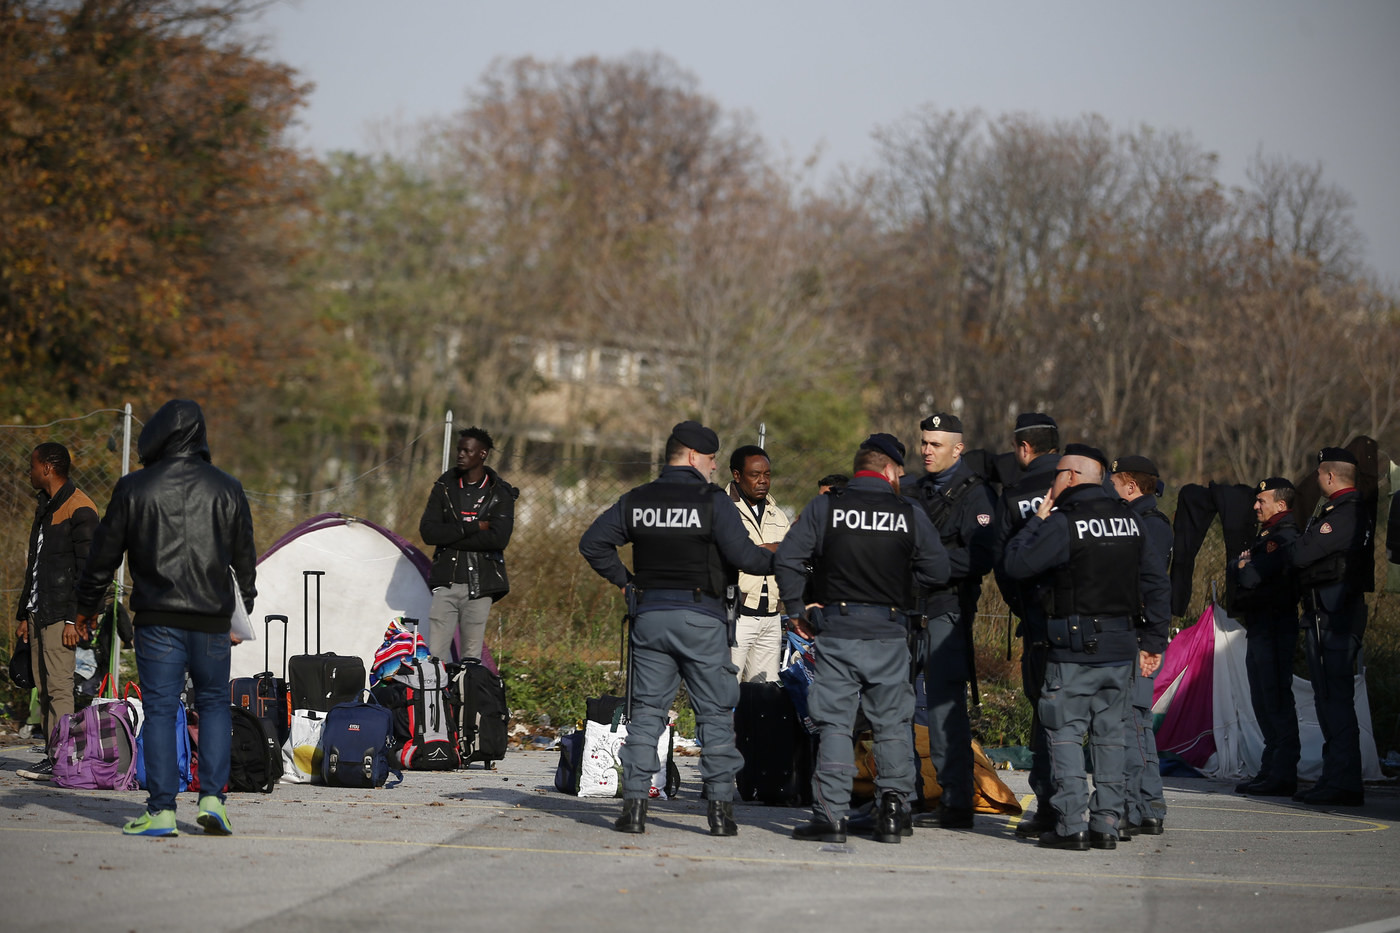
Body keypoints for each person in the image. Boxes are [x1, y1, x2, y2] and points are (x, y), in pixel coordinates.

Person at [578, 420, 775, 836]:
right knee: (716, 716)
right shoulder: (712, 501)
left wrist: (627, 583)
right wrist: (786, 556)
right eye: (711, 459)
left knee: (647, 713)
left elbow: (593, 542)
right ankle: (720, 812)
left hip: (650, 619)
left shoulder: (638, 499)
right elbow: (747, 559)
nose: (715, 467)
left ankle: (634, 807)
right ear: (691, 456)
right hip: (701, 619)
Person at [73, 400, 257, 836]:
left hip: (158, 620)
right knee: (213, 705)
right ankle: (213, 800)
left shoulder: (134, 488)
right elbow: (245, 562)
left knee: (159, 710)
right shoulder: (227, 488)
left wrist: (85, 609)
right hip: (213, 620)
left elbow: (103, 557)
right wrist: (240, 612)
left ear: (156, 435)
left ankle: (161, 812)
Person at [776, 434, 950, 844]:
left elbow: (788, 558)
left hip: (837, 629)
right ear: (888, 470)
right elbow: (939, 571)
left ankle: (831, 817)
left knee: (835, 724)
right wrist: (903, 584)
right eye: (900, 472)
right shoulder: (908, 512)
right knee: (891, 724)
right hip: (890, 633)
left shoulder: (825, 507)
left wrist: (799, 609)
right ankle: (893, 811)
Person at [1002, 444, 1169, 851]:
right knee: (1111, 737)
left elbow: (1016, 565)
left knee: (1064, 733)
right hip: (1120, 646)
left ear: (1071, 477)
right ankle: (1107, 822)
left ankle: (1070, 822)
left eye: (1058, 474)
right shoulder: (1131, 521)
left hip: (1073, 648)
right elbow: (1155, 582)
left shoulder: (1063, 523)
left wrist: (1037, 521)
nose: (1053, 481)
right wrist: (1152, 640)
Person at [900, 413, 996, 829]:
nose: (926, 450)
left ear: (958, 449)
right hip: (906, 609)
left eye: (935, 444)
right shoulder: (911, 491)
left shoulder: (976, 496)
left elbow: (981, 557)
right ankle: (901, 795)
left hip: (947, 608)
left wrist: (927, 564)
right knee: (895, 706)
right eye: (924, 442)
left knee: (943, 709)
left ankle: (956, 800)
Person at [991, 412, 1061, 837]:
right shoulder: (1086, 488)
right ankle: (1116, 812)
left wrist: (1024, 609)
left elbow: (1004, 564)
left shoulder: (1016, 494)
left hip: (1039, 625)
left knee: (1047, 718)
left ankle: (1050, 807)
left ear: (1024, 448)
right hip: (1097, 627)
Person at [1291, 447, 1372, 807]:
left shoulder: (1344, 514)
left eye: (1319, 474)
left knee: (1334, 701)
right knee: (1330, 701)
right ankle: (1335, 775)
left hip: (1334, 616)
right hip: (1329, 613)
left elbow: (1302, 554)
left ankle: (1343, 779)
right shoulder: (1345, 511)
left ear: (1329, 476)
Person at [15, 443, 99, 782]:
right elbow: (35, 566)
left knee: (60, 687)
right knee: (44, 686)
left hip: (61, 615)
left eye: (33, 465)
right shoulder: (46, 506)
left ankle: (64, 760)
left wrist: (74, 619)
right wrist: (24, 613)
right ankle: (54, 757)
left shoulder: (80, 508)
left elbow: (90, 570)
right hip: (39, 611)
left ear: (48, 468)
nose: (29, 471)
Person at [1108, 455, 1172, 836]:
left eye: (1114, 485)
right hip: (1137, 633)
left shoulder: (1147, 526)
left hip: (1135, 635)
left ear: (1131, 486)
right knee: (1135, 722)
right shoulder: (1145, 522)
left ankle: (1141, 805)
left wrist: (1151, 641)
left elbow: (1151, 586)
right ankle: (1147, 805)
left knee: (1131, 723)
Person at [419, 426, 518, 663]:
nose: (460, 455)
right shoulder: (444, 487)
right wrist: (473, 526)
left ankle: (466, 700)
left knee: (471, 659)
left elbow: (498, 539)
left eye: (467, 450)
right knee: (437, 657)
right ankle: (439, 700)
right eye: (458, 450)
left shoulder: (500, 494)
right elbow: (429, 532)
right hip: (446, 582)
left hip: (481, 585)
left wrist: (451, 535)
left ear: (482, 454)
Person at [1230, 476, 1302, 797]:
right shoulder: (1268, 536)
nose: (1255, 505)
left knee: (1275, 700)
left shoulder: (1283, 538)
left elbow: (1249, 576)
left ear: (1281, 505)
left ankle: (1282, 771)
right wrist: (1243, 566)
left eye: (1262, 501)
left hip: (1275, 627)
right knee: (1262, 700)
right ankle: (1271, 768)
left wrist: (1245, 564)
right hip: (1261, 626)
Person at [725, 445, 790, 683]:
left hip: (771, 616)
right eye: (755, 475)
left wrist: (773, 550)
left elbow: (792, 555)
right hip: (736, 616)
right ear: (737, 475)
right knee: (725, 690)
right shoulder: (724, 511)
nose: (763, 481)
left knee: (763, 693)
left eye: (767, 474)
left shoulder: (778, 515)